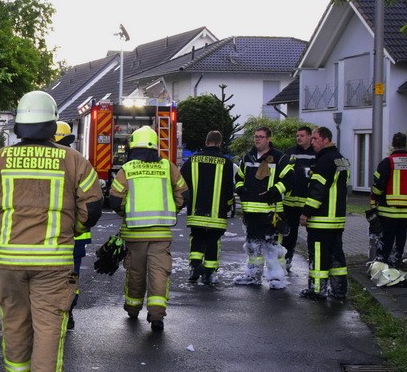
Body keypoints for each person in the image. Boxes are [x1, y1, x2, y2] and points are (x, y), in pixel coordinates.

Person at [0, 90, 103, 372]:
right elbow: (93, 207)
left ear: (19, 125)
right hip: (53, 260)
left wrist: (5, 223)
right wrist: (72, 228)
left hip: (7, 259)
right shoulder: (73, 160)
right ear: (51, 124)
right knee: (48, 324)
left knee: (15, 320)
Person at [109, 126, 188, 331]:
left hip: (135, 234)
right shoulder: (167, 166)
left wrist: (125, 215)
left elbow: (115, 200)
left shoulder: (127, 169)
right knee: (159, 273)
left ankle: (133, 309)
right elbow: (184, 193)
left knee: (135, 272)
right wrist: (173, 209)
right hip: (161, 233)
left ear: (133, 145)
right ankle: (156, 316)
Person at [234, 127, 289, 289]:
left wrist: (275, 190)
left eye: (261, 137)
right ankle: (253, 275)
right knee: (253, 245)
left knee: (273, 246)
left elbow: (289, 179)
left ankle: (277, 278)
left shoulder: (280, 158)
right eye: (256, 137)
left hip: (271, 212)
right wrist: (240, 188)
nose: (257, 139)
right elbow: (239, 177)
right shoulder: (247, 157)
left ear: (269, 139)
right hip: (251, 211)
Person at [299, 127, 350, 301]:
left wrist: (306, 213)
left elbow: (318, 190)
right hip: (337, 218)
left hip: (322, 218)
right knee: (336, 255)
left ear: (326, 140)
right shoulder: (341, 159)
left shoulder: (325, 160)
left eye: (315, 139)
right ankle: (339, 289)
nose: (311, 142)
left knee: (319, 255)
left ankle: (318, 289)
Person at [181, 130, 235, 287]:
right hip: (217, 213)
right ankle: (209, 274)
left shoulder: (192, 160)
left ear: (206, 142)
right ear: (219, 143)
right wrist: (229, 205)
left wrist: (184, 202)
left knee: (196, 239)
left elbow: (182, 183)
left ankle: (194, 268)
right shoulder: (226, 162)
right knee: (213, 241)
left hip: (196, 211)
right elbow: (228, 188)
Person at [55, 121, 91, 331]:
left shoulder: (47, 163)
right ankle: (68, 312)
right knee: (71, 277)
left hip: (49, 236)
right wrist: (78, 227)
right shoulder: (79, 162)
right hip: (75, 235)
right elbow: (90, 205)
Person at [371, 132, 407, 267]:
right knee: (400, 239)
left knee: (386, 240)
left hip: (387, 210)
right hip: (405, 212)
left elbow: (378, 185)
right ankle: (396, 263)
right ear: (406, 144)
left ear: (393, 144)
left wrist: (374, 199)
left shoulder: (387, 162)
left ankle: (382, 266)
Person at [278, 126, 315, 274]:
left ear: (310, 137)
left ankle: (314, 263)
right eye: (297, 135)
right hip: (290, 203)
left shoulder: (317, 154)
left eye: (302, 135)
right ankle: (286, 262)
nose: (298, 138)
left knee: (313, 236)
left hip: (310, 204)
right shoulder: (290, 153)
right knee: (289, 236)